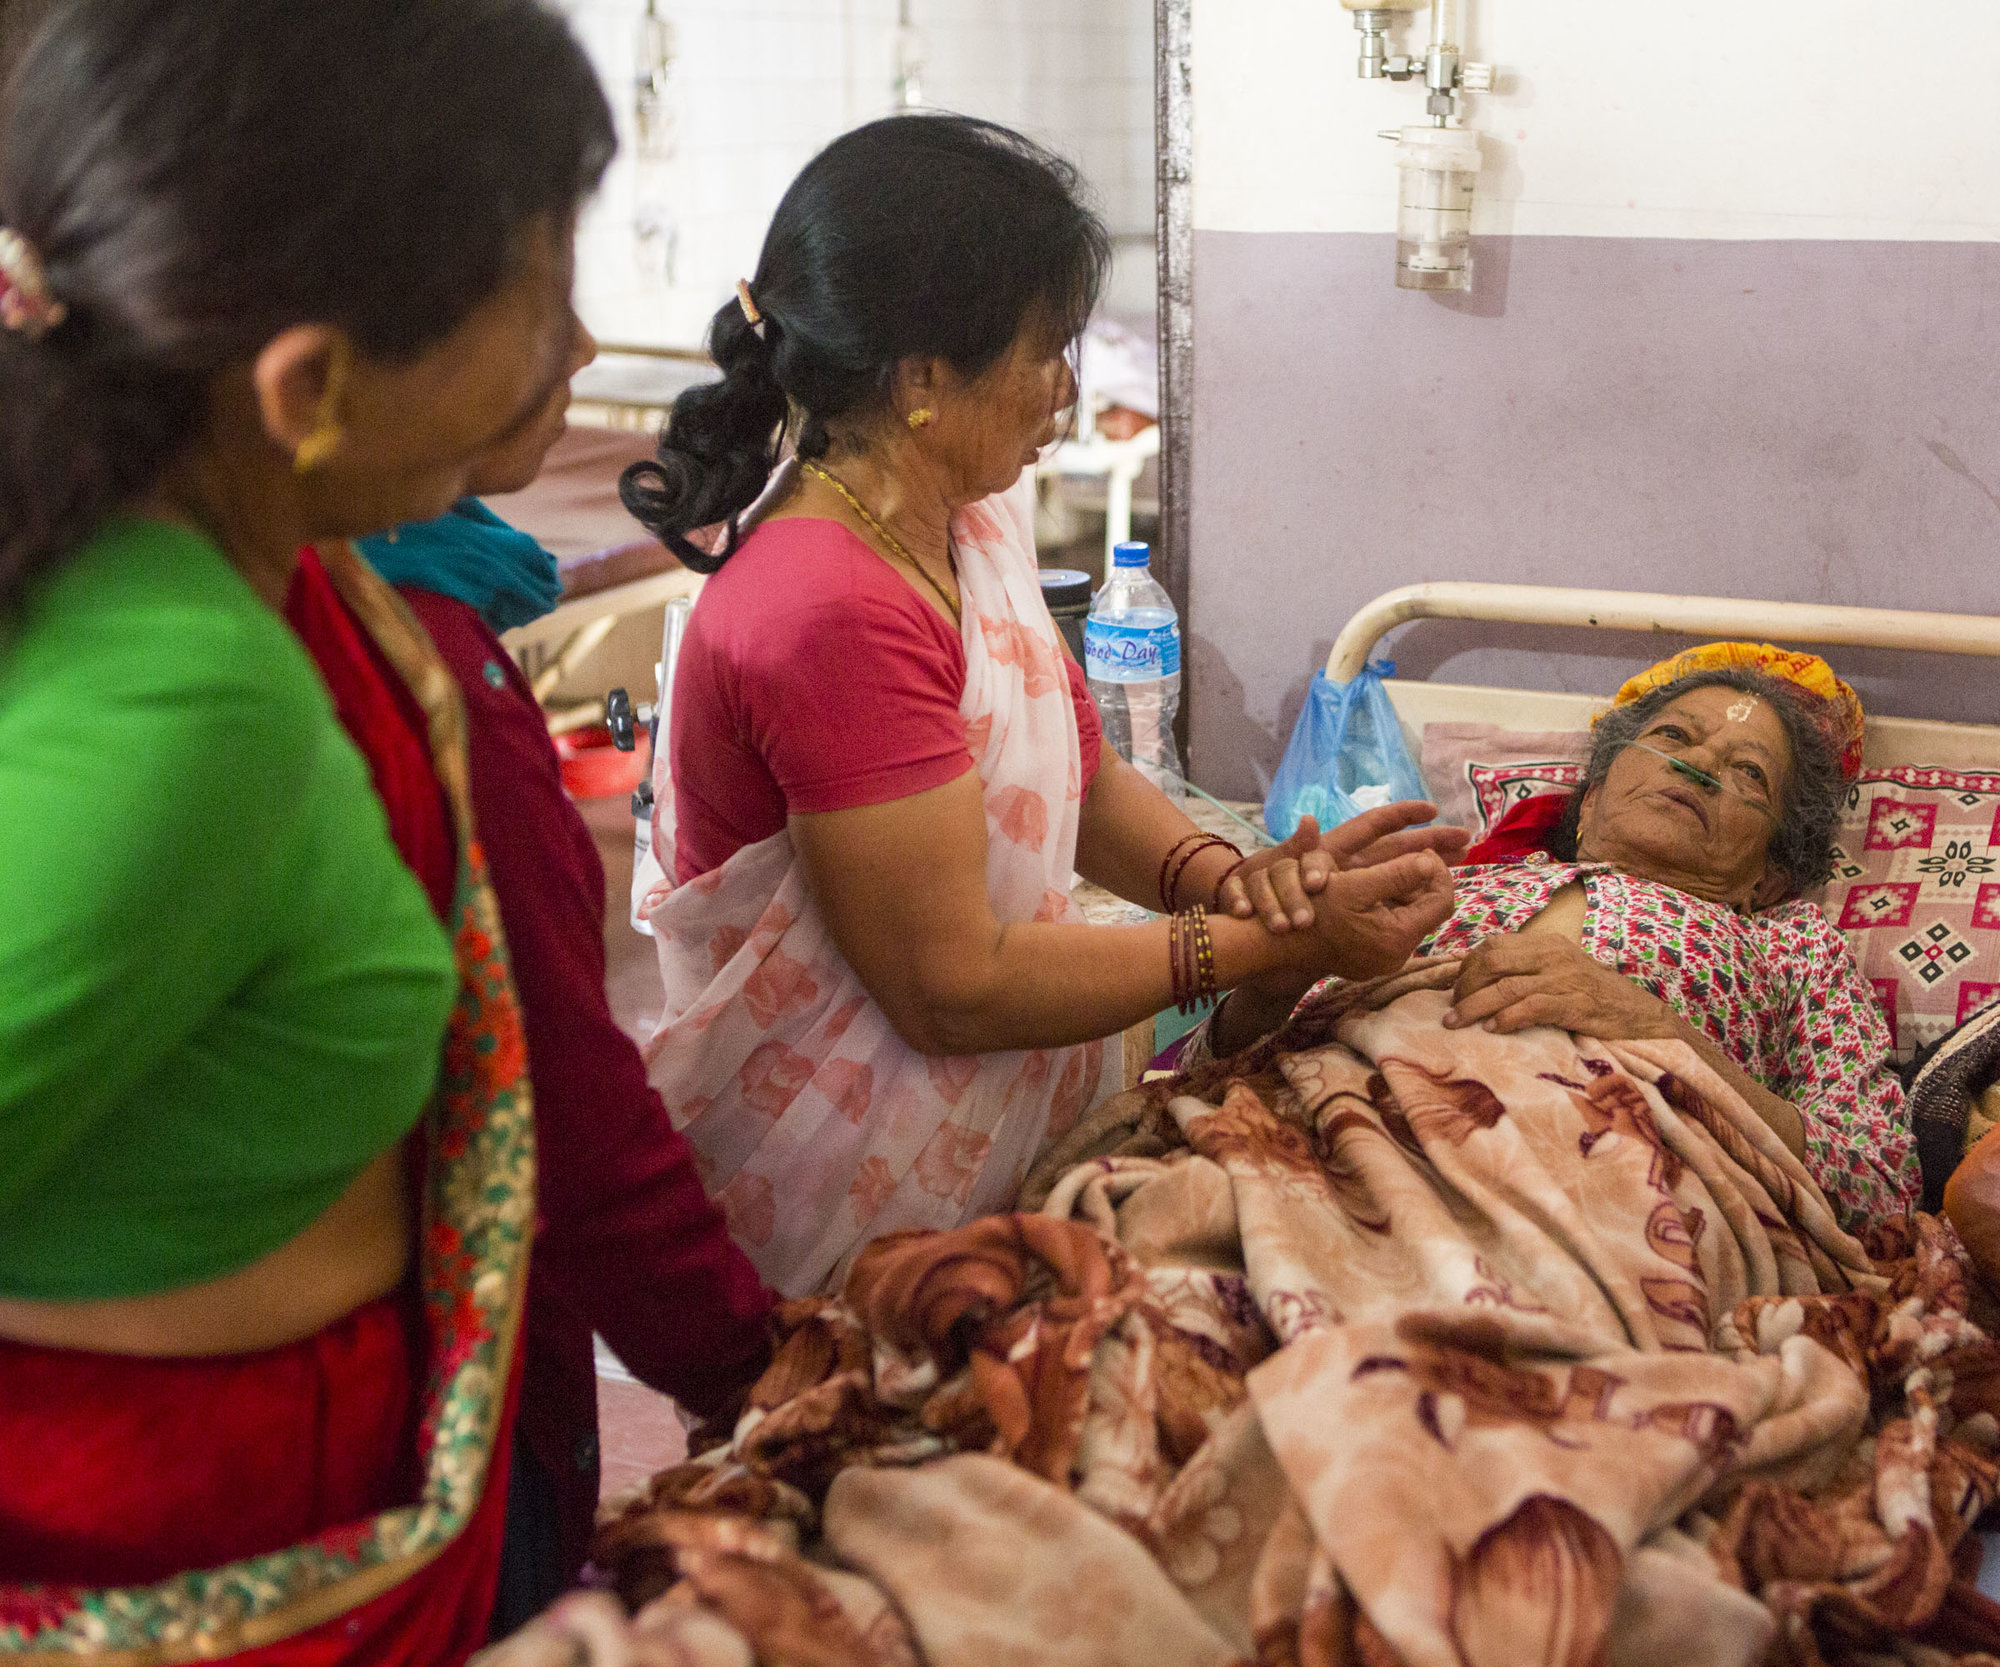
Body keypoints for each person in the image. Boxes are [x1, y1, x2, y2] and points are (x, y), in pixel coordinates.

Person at [0, 0, 612, 1656]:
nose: (571, 347)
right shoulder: (195, 709)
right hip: (173, 1543)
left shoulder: (217, 571)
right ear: (313, 384)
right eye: (538, 292)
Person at [621, 114, 1461, 1297]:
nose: (1065, 386)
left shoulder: (963, 521)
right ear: (920, 377)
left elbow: (1083, 760)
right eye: (1043, 348)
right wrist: (1266, 945)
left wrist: (1237, 877)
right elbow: (949, 987)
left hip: (974, 1127)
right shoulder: (827, 608)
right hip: (850, 1195)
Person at [347, 363, 776, 1628]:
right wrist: (753, 1363)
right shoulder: (405, 670)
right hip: (400, 1425)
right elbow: (556, 1102)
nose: (580, 347)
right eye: (531, 286)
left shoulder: (391, 615)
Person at [1208, 644, 1921, 1230]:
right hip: (1336, 1143)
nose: (1697, 767)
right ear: (1591, 802)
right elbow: (1223, 1065)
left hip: (1614, 1203)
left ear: (1766, 877)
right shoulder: (1439, 890)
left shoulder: (1792, 948)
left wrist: (1661, 1033)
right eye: (1674, 736)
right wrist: (1278, 969)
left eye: (1748, 773)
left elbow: (1879, 1181)